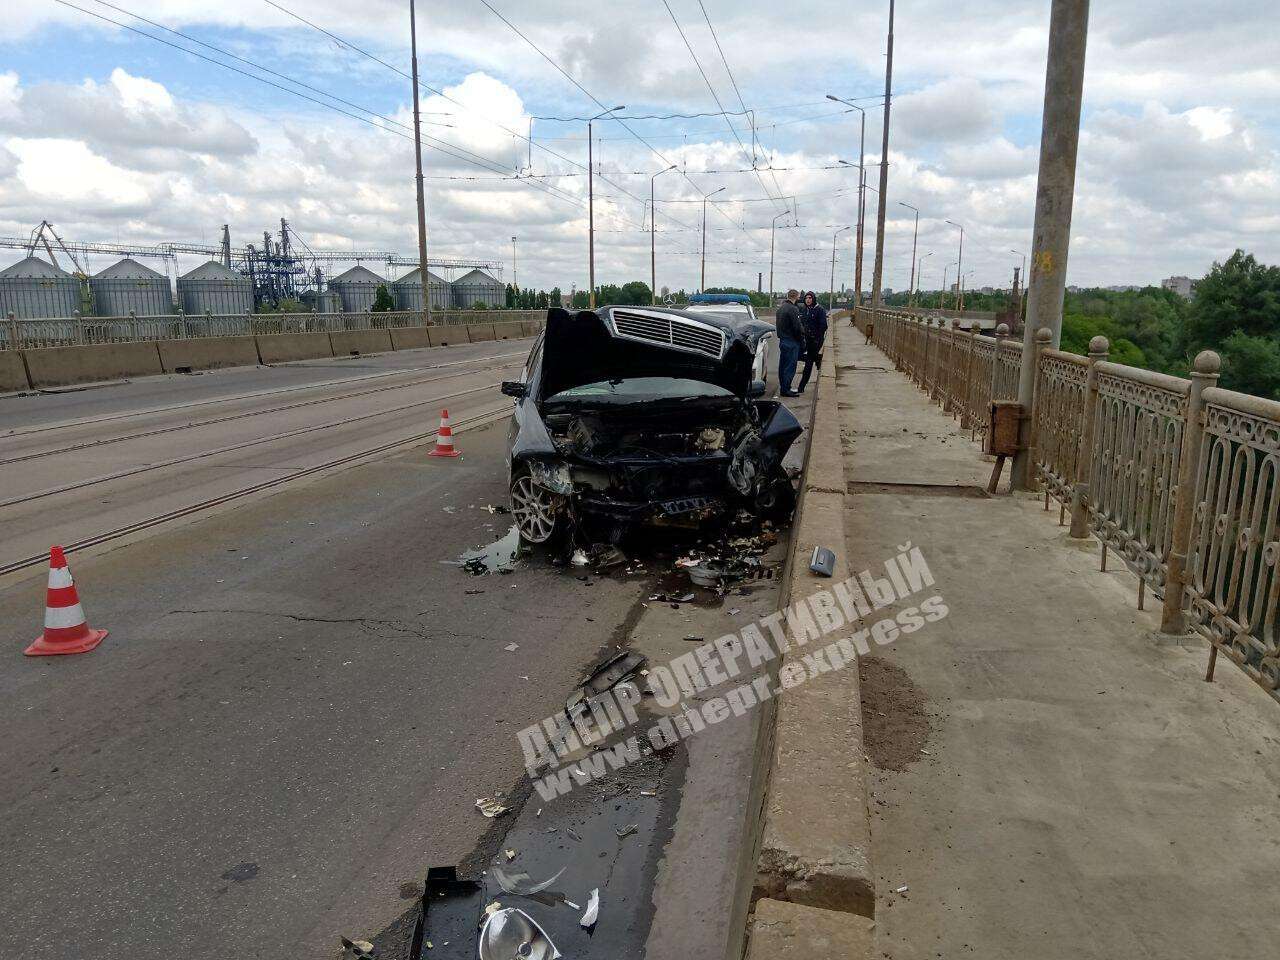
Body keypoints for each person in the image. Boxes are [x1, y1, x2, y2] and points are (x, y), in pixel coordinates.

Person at [775, 289, 804, 396]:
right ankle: (786, 389)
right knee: (790, 366)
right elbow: (797, 327)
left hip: (783, 340)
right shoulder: (793, 309)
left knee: (782, 365)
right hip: (792, 341)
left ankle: (783, 387)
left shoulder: (781, 309)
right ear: (796, 297)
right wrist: (802, 340)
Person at [796, 291, 828, 392]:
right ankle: (818, 360)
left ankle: (801, 387)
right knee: (798, 356)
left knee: (808, 363)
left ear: (813, 299)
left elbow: (824, 326)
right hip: (807, 340)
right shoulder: (805, 310)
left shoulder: (820, 310)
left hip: (816, 341)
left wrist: (816, 337)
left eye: (810, 298)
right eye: (806, 298)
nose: (808, 300)